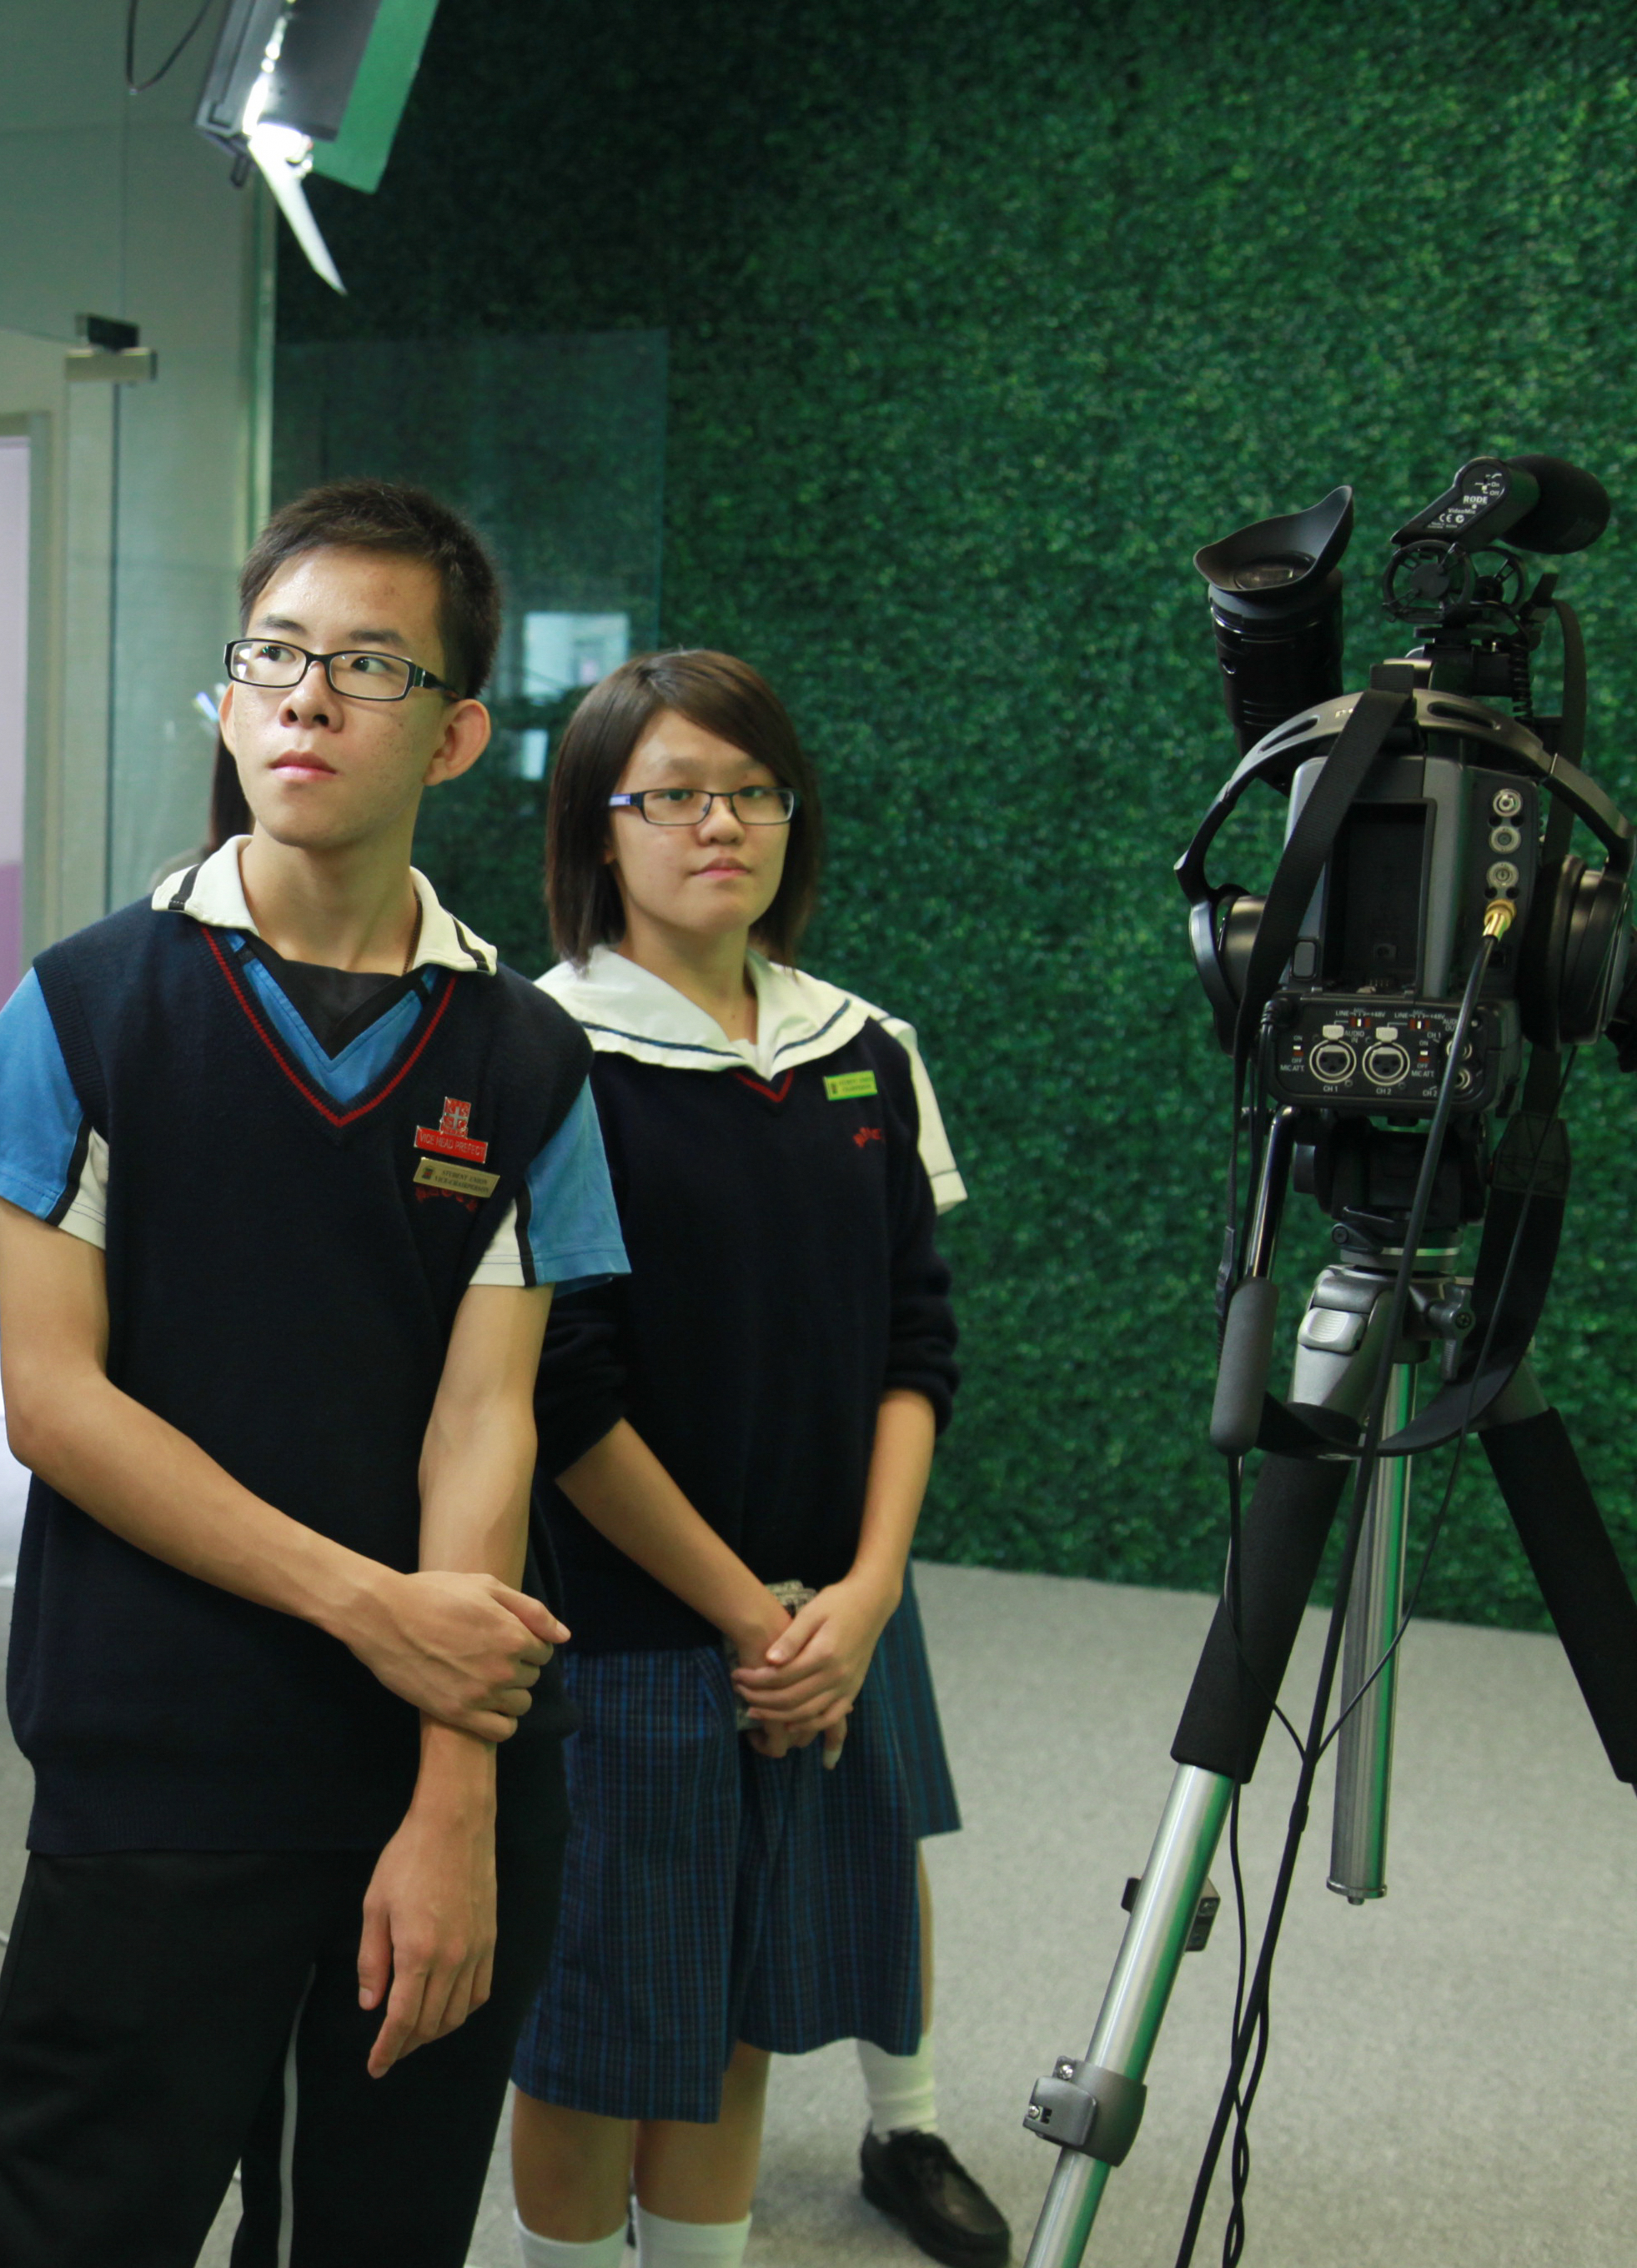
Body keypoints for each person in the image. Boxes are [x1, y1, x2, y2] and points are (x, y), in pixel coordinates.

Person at [0, 479, 629, 2265]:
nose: (308, 696)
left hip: (427, 1776)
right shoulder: (85, 1011)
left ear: (455, 733)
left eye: (370, 665)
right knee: (82, 2239)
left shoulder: (525, 1057)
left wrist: (457, 1801)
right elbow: (55, 1403)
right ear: (228, 698)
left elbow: (488, 1418)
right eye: (275, 655)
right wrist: (366, 1606)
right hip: (160, 1763)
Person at [503, 650, 1000, 2268]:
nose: (720, 824)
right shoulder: (545, 1053)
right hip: (631, 1638)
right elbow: (562, 1398)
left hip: (824, 1624)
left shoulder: (864, 1047)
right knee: (597, 2033)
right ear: (599, 827)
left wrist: (866, 1593)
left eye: (753, 791)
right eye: (674, 795)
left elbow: (917, 1344)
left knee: (740, 2008)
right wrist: (752, 1619)